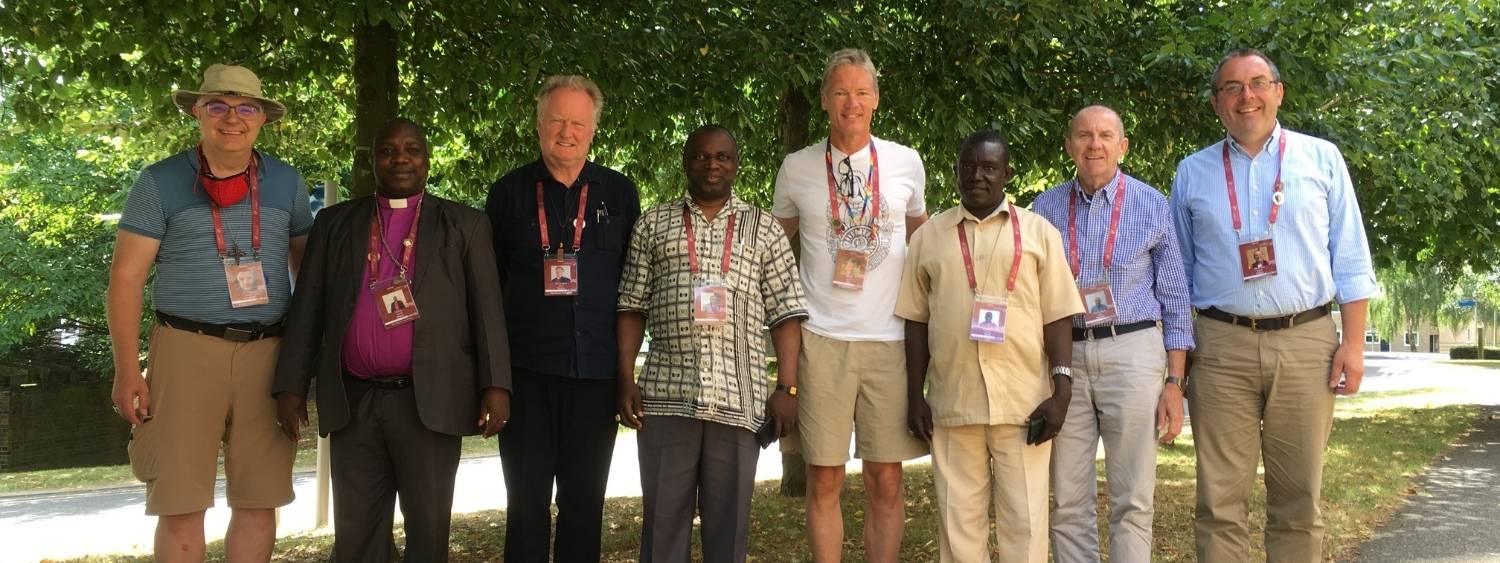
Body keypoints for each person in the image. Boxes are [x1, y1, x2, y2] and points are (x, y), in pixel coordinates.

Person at [1170, 48, 1378, 561]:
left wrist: (1353, 345)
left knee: (1299, 501)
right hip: (1219, 347)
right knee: (1218, 503)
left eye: (1258, 83)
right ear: (1217, 103)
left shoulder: (1321, 158)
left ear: (1279, 92)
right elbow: (1177, 278)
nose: (1247, 97)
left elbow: (1351, 258)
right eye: (1233, 88)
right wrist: (1177, 369)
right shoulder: (1192, 173)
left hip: (1306, 342)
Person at [272, 119, 512, 562]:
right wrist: (290, 386)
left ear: (427, 159)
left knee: (428, 531)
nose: (400, 158)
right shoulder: (335, 223)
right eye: (388, 150)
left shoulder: (465, 225)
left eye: (412, 149)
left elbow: (488, 312)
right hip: (354, 402)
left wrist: (496, 385)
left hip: (430, 402)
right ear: (372, 160)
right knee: (357, 534)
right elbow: (307, 309)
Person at [107, 63, 311, 562]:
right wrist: (127, 369)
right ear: (197, 112)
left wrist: (305, 364)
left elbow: (309, 277)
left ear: (263, 118)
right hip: (184, 349)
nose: (232, 118)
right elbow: (126, 279)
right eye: (217, 105)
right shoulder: (160, 181)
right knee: (180, 504)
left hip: (268, 353)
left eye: (246, 107)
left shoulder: (286, 183)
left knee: (260, 503)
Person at [616, 125, 808, 563]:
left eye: (722, 157)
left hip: (739, 402)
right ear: (687, 161)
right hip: (666, 401)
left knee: (729, 532)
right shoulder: (653, 224)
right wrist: (625, 378)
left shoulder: (764, 229)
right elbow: (631, 307)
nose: (712, 164)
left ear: (736, 164)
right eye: (702, 156)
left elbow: (786, 315)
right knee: (662, 528)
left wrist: (788, 388)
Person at [771, 48, 930, 562]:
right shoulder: (796, 167)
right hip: (821, 341)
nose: (851, 103)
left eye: (861, 92)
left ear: (877, 99)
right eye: (840, 92)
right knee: (824, 479)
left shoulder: (907, 162)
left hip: (890, 341)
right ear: (823, 100)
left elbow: (925, 250)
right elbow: (773, 252)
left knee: (885, 479)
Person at [899, 130, 1083, 562]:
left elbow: (1058, 314)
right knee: (957, 525)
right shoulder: (929, 236)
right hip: (952, 401)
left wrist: (1062, 390)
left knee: (1026, 523)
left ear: (1007, 174)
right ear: (956, 172)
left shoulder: (1039, 233)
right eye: (968, 167)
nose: (977, 176)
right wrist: (914, 397)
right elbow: (915, 321)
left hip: (1024, 406)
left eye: (988, 168)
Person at [484, 75, 642, 563]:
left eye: (578, 122)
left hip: (595, 378)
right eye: (557, 121)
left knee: (584, 507)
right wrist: (494, 381)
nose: (566, 132)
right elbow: (488, 295)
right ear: (539, 126)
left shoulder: (619, 195)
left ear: (593, 130)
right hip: (526, 378)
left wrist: (624, 375)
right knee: (525, 507)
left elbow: (632, 293)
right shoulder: (507, 194)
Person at [1031, 105, 1193, 563]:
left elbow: (1178, 301)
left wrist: (1174, 383)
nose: (1094, 144)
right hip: (1067, 360)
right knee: (1067, 499)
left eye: (1105, 135)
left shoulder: (1151, 204)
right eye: (1084, 135)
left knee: (1134, 497)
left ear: (1123, 146)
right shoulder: (1043, 210)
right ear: (1069, 146)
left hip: (1134, 352)